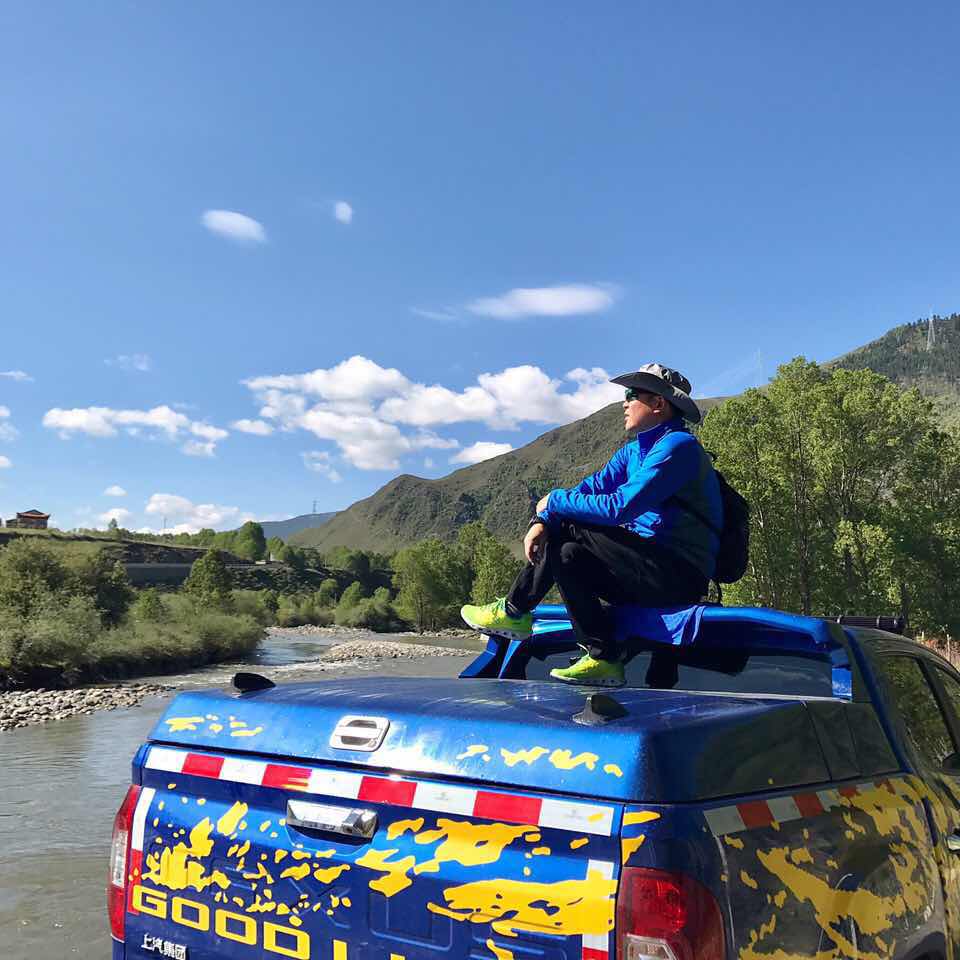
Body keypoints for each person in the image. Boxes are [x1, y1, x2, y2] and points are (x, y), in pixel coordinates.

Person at [460, 362, 722, 686]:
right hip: (644, 572)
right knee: (566, 553)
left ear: (658, 403)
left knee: (571, 523)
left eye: (632, 394)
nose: (624, 402)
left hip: (678, 576)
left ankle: (514, 611)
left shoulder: (678, 447)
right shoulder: (633, 453)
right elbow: (589, 489)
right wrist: (542, 519)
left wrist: (553, 503)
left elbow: (619, 507)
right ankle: (603, 657)